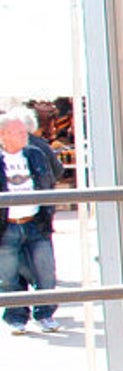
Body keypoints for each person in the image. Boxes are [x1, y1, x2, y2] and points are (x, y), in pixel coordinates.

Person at [1, 107, 62, 334]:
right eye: (18, 132)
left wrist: (47, 215)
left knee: (45, 272)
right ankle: (16, 317)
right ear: (4, 134)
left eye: (24, 131)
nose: (24, 135)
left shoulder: (35, 154)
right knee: (8, 277)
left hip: (35, 223)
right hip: (6, 226)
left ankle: (45, 314)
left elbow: (49, 180)